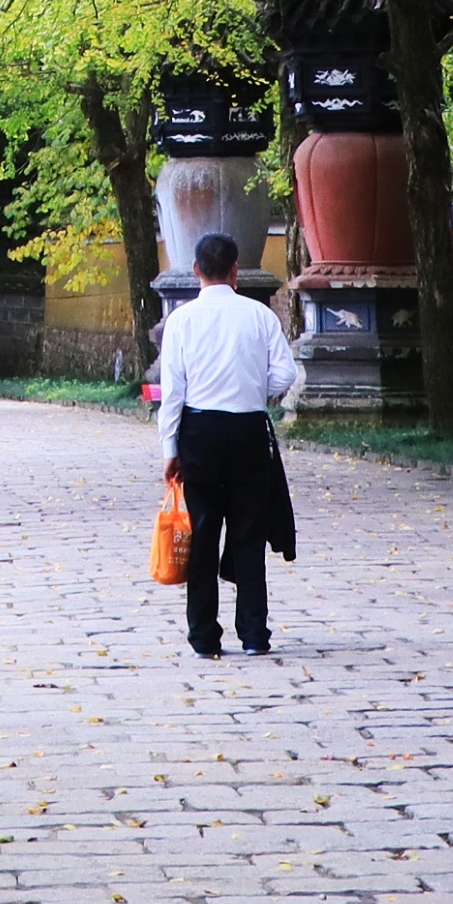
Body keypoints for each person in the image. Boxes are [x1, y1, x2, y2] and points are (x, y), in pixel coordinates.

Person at [151, 229, 299, 655]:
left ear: (196, 270)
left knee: (202, 534)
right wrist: (254, 389)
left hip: (200, 433)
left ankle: (204, 637)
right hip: (249, 430)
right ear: (236, 270)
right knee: (248, 535)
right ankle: (254, 635)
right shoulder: (259, 316)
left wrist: (170, 450)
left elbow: (172, 393)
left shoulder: (181, 321)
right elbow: (286, 375)